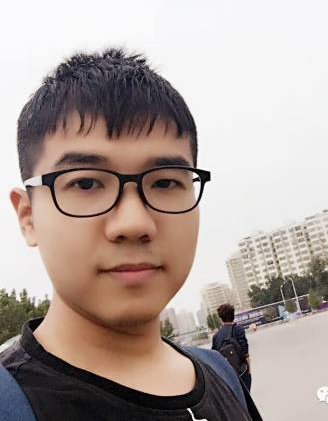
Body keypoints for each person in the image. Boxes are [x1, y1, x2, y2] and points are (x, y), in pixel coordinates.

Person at [0, 49, 261, 420]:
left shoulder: (221, 375)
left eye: (165, 182)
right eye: (86, 183)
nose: (134, 224)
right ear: (28, 216)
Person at [212, 304, 252, 392]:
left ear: (220, 318)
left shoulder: (216, 336)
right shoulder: (239, 330)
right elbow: (245, 353)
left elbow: (215, 359)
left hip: (227, 376)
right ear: (233, 315)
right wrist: (249, 370)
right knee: (246, 397)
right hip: (242, 372)